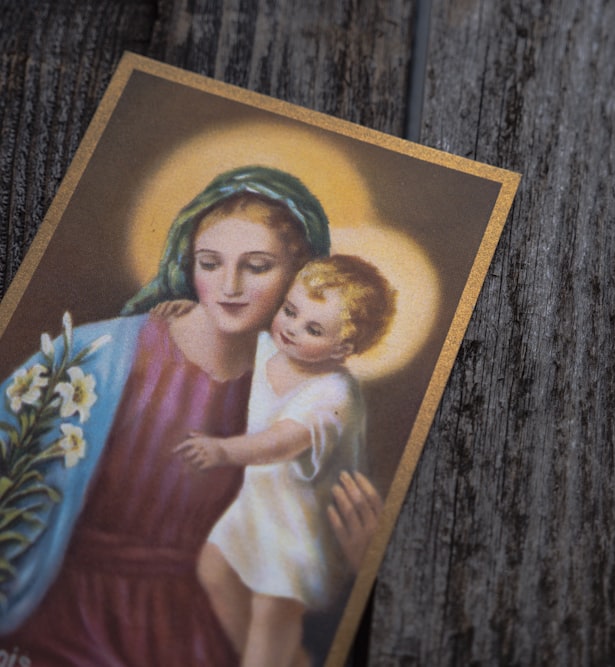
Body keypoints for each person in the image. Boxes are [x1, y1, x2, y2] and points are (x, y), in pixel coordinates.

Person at [0, 166, 376, 666]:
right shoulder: (96, 356)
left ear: (301, 275)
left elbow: (313, 547)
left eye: (257, 266)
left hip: (205, 631)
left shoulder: (304, 395)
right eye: (210, 262)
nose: (230, 286)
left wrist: (361, 560)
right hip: (63, 616)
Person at [175, 255, 395, 667]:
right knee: (212, 569)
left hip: (299, 529)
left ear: (344, 348)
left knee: (272, 612)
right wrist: (185, 317)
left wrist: (223, 451)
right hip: (250, 507)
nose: (291, 328)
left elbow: (282, 442)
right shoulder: (260, 349)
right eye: (290, 311)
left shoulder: (334, 393)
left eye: (313, 329)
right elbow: (212, 344)